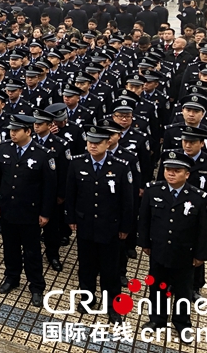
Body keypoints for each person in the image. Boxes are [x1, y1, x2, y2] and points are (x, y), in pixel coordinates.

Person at [139, 151, 207, 336]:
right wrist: (145, 243)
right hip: (159, 250)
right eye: (168, 169)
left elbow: (204, 230)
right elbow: (145, 220)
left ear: (187, 174)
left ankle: (182, 323)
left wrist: (200, 255)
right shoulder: (153, 190)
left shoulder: (200, 198)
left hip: (184, 253)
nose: (171, 173)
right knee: (157, 287)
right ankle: (157, 319)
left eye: (176, 170)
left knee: (183, 290)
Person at [64, 126, 133, 324]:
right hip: (86, 225)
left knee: (110, 269)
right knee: (86, 266)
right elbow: (71, 194)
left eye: (97, 143)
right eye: (90, 142)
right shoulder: (77, 163)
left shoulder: (120, 166)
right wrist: (71, 218)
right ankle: (88, 298)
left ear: (107, 144)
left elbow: (127, 201)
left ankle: (113, 305)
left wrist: (125, 227)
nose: (92, 146)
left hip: (109, 227)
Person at [0, 114, 57, 307]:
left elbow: (49, 188)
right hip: (8, 210)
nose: (12, 133)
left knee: (32, 252)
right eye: (11, 130)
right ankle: (12, 277)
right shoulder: (4, 148)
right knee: (10, 248)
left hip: (30, 212)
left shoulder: (42, 154)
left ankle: (36, 286)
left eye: (16, 131)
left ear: (28, 132)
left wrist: (45, 213)